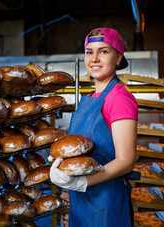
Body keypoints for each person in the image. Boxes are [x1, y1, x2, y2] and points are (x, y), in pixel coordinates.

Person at [50, 27, 138, 227]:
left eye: (104, 51)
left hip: (106, 201)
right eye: (90, 52)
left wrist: (81, 183)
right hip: (82, 200)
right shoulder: (89, 98)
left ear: (118, 58)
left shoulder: (119, 98)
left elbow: (126, 161)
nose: (95, 58)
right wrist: (68, 185)